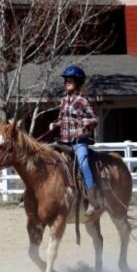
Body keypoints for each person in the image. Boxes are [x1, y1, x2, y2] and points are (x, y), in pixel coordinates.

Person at [49, 65, 100, 214]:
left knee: (83, 164)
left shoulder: (83, 101)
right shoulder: (64, 100)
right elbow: (62, 120)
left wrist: (88, 122)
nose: (66, 83)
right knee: (45, 157)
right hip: (63, 141)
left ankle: (92, 200)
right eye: (66, 81)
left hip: (79, 141)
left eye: (70, 81)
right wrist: (54, 124)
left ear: (77, 83)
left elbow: (95, 119)